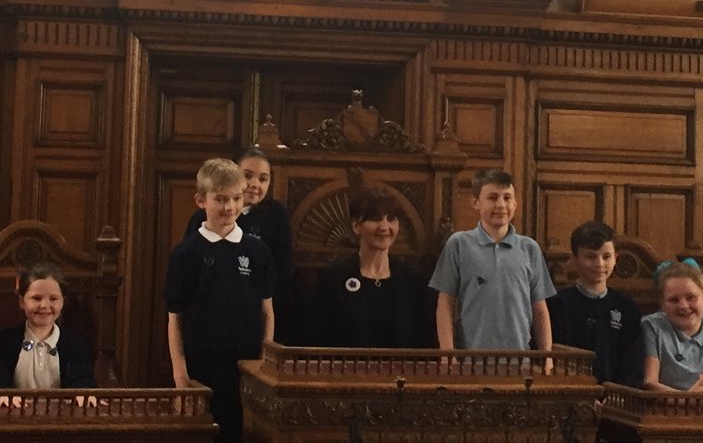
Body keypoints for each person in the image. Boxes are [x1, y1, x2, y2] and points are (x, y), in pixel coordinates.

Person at [165, 157, 275, 443]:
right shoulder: (187, 252)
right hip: (200, 374)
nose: (228, 208)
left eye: (234, 199)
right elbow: (174, 317)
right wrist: (179, 371)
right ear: (201, 201)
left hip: (245, 374)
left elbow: (267, 311)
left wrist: (264, 361)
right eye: (219, 200)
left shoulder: (256, 250)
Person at [431, 168, 555, 353]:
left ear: (515, 203)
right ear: (475, 203)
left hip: (519, 359)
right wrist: (448, 353)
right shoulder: (458, 244)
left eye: (507, 198)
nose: (501, 205)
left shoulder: (530, 248)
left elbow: (539, 308)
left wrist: (547, 354)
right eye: (492, 198)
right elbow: (445, 303)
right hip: (471, 358)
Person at [183, 147, 296, 342]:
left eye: (263, 179)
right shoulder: (203, 217)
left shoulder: (275, 215)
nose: (254, 184)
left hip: (254, 312)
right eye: (247, 176)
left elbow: (283, 270)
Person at [311, 184, 432, 350]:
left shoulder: (413, 281)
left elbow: (424, 341)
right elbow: (318, 340)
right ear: (356, 226)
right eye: (375, 219)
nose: (384, 227)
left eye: (391, 219)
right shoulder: (333, 278)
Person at [547, 220, 646, 387]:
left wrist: (616, 394)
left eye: (606, 257)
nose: (599, 264)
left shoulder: (627, 308)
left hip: (617, 401)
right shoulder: (557, 305)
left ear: (616, 258)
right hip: (570, 394)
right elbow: (554, 357)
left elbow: (633, 363)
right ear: (574, 258)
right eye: (590, 256)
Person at [0, 262, 99, 389]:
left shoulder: (75, 343)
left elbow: (83, 379)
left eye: (53, 299)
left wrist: (82, 393)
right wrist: (1, 393)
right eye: (37, 298)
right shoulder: (3, 342)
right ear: (22, 302)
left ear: (63, 301)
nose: (44, 306)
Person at [642, 258, 703, 393]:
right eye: (673, 300)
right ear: (662, 303)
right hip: (665, 410)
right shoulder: (651, 327)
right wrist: (690, 398)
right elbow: (649, 383)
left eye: (691, 297)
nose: (683, 305)